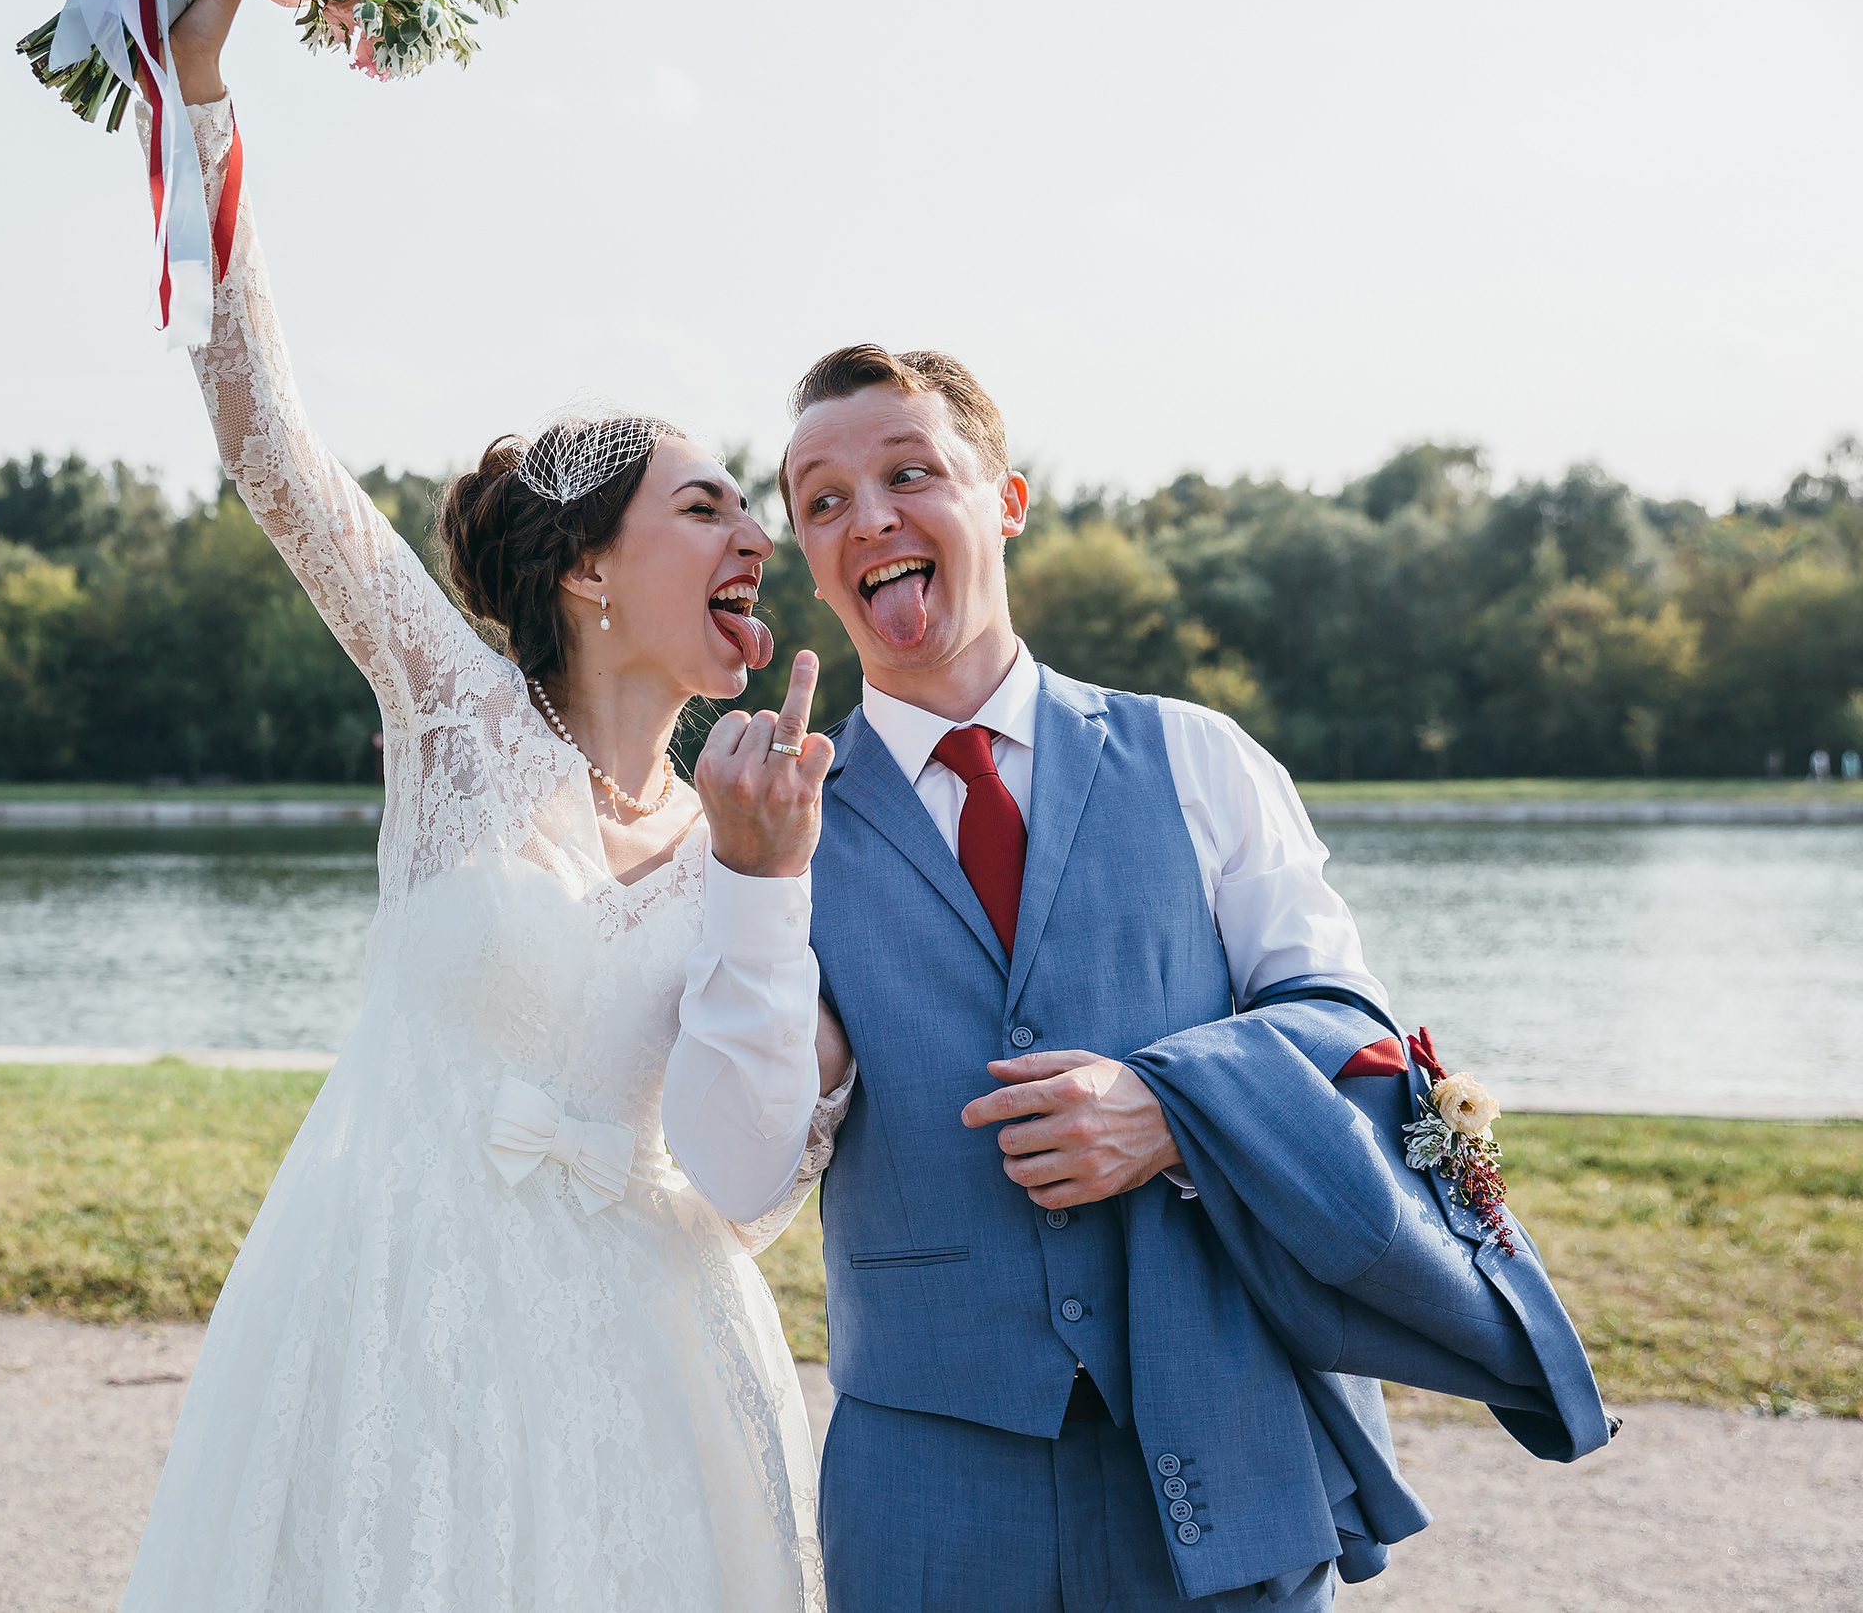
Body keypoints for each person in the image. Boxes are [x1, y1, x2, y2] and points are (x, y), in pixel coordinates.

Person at [113, 0, 848, 1612]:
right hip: (395, 1325)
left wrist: (768, 872)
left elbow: (762, 1167)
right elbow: (270, 450)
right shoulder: (454, 713)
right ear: (590, 573)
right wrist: (204, 100)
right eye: (712, 506)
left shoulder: (765, 817)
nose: (764, 536)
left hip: (648, 1364)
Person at [665, 345, 1610, 1611]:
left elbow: (1346, 1027)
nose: (867, 517)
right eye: (823, 500)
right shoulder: (770, 828)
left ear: (1003, 501)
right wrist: (757, 881)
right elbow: (745, 1159)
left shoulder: (1199, 759)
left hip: (1227, 1440)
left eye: (908, 473)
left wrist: (1170, 1110)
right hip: (927, 1494)